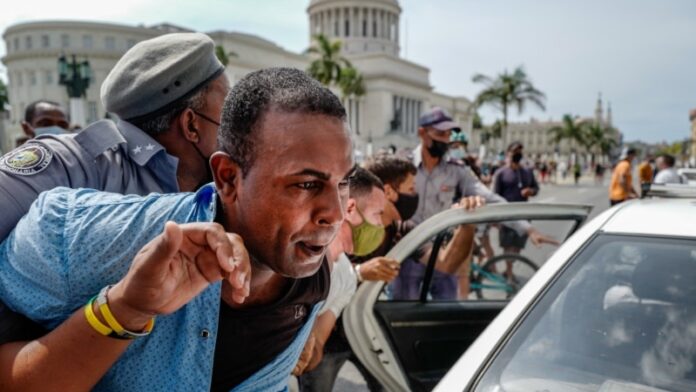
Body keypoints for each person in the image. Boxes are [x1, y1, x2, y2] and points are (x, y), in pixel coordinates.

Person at [0, 67, 354, 391]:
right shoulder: (89, 236)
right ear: (228, 178)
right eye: (306, 184)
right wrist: (124, 308)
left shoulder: (315, 278)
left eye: (344, 183)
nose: (335, 214)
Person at [0, 32, 231, 387]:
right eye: (227, 115)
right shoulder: (72, 164)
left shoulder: (223, 185)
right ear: (192, 124)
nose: (235, 131)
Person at [399, 107, 554, 300]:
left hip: (443, 254)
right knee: (401, 319)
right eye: (440, 134)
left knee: (443, 317)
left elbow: (491, 199)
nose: (446, 140)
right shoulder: (401, 165)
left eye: (448, 134)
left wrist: (527, 228)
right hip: (407, 254)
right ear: (422, 133)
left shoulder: (457, 171)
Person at [296, 167, 389, 392]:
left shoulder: (346, 276)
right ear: (350, 208)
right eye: (378, 214)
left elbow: (318, 341)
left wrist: (307, 351)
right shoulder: (297, 258)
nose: (380, 226)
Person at [493, 141, 540, 267]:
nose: (517, 154)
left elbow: (536, 188)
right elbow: (495, 195)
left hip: (523, 214)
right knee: (507, 245)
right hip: (506, 214)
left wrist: (531, 191)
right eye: (515, 151)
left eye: (520, 151)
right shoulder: (501, 173)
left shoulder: (527, 172)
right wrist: (495, 219)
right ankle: (509, 273)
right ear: (508, 153)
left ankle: (510, 269)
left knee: (518, 245)